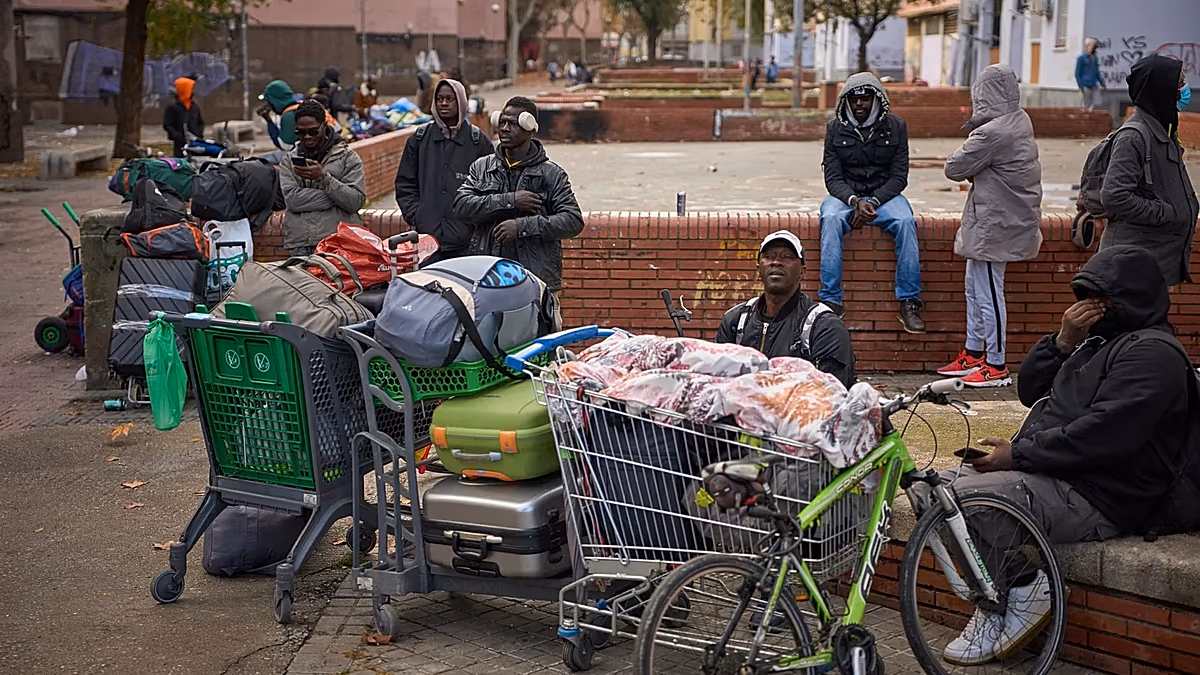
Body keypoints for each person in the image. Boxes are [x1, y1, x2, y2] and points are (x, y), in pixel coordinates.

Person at [933, 245, 1190, 666]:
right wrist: (1062, 341)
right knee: (936, 491)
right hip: (1058, 474)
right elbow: (1030, 390)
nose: (1092, 307)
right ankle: (995, 598)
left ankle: (1024, 589)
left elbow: (1105, 435)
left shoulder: (1152, 352)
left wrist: (1018, 456)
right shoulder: (1093, 342)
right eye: (1087, 296)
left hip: (1105, 493)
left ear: (1131, 296)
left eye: (1102, 298)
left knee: (966, 502)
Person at [937, 64, 1043, 388]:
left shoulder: (992, 132)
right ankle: (973, 351)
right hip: (1001, 218)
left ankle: (995, 364)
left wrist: (976, 168)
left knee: (989, 293)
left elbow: (953, 167)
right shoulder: (1019, 119)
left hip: (996, 223)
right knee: (974, 286)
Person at [454, 96, 584, 331]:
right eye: (502, 121)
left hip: (536, 281)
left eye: (512, 123)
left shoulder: (551, 174)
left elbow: (573, 220)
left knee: (542, 344)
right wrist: (510, 201)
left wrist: (523, 227)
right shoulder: (482, 168)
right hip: (488, 279)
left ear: (529, 127)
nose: (504, 128)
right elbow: (462, 206)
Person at [819, 72, 925, 333]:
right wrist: (854, 201)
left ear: (876, 99)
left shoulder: (897, 126)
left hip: (885, 196)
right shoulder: (835, 128)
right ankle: (831, 301)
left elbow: (899, 176)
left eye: (865, 100)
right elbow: (832, 177)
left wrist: (874, 201)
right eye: (854, 101)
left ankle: (909, 302)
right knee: (830, 219)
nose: (859, 105)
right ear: (846, 101)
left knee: (905, 222)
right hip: (847, 196)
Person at [1097, 54, 1199, 288]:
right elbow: (1115, 196)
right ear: (1161, 90)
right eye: (1179, 84)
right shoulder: (1134, 136)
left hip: (1157, 261)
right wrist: (1166, 213)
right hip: (1134, 265)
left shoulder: (1164, 130)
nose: (1183, 91)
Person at [715, 231, 856, 388]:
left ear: (803, 271)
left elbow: (833, 397)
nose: (776, 262)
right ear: (758, 269)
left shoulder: (824, 327)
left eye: (787, 257)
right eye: (769, 256)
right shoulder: (735, 321)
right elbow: (718, 385)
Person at [395, 78, 494, 266]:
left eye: (450, 99)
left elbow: (491, 188)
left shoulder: (477, 141)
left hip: (466, 243)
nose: (444, 103)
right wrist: (417, 215)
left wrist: (473, 222)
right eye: (440, 99)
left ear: (461, 102)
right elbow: (405, 183)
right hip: (427, 241)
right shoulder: (419, 139)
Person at [278, 100, 366, 256]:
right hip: (301, 244)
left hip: (339, 243)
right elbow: (293, 201)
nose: (307, 137)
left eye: (313, 132)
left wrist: (324, 179)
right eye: (301, 132)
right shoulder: (289, 160)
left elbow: (355, 201)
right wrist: (335, 199)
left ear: (324, 126)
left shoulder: (347, 158)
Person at [163, 76, 203, 158]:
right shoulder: (173, 107)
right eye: (190, 88)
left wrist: (199, 134)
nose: (192, 90)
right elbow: (167, 124)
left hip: (194, 141)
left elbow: (200, 121)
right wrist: (177, 135)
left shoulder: (194, 107)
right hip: (180, 142)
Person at [1074, 37, 1105, 112]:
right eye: (1094, 46)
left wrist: (1101, 82)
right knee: (1085, 104)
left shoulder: (1095, 58)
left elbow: (1096, 71)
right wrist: (1081, 85)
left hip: (1094, 83)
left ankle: (1092, 115)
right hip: (1085, 84)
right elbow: (1077, 73)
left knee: (1097, 102)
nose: (1095, 49)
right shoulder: (1081, 58)